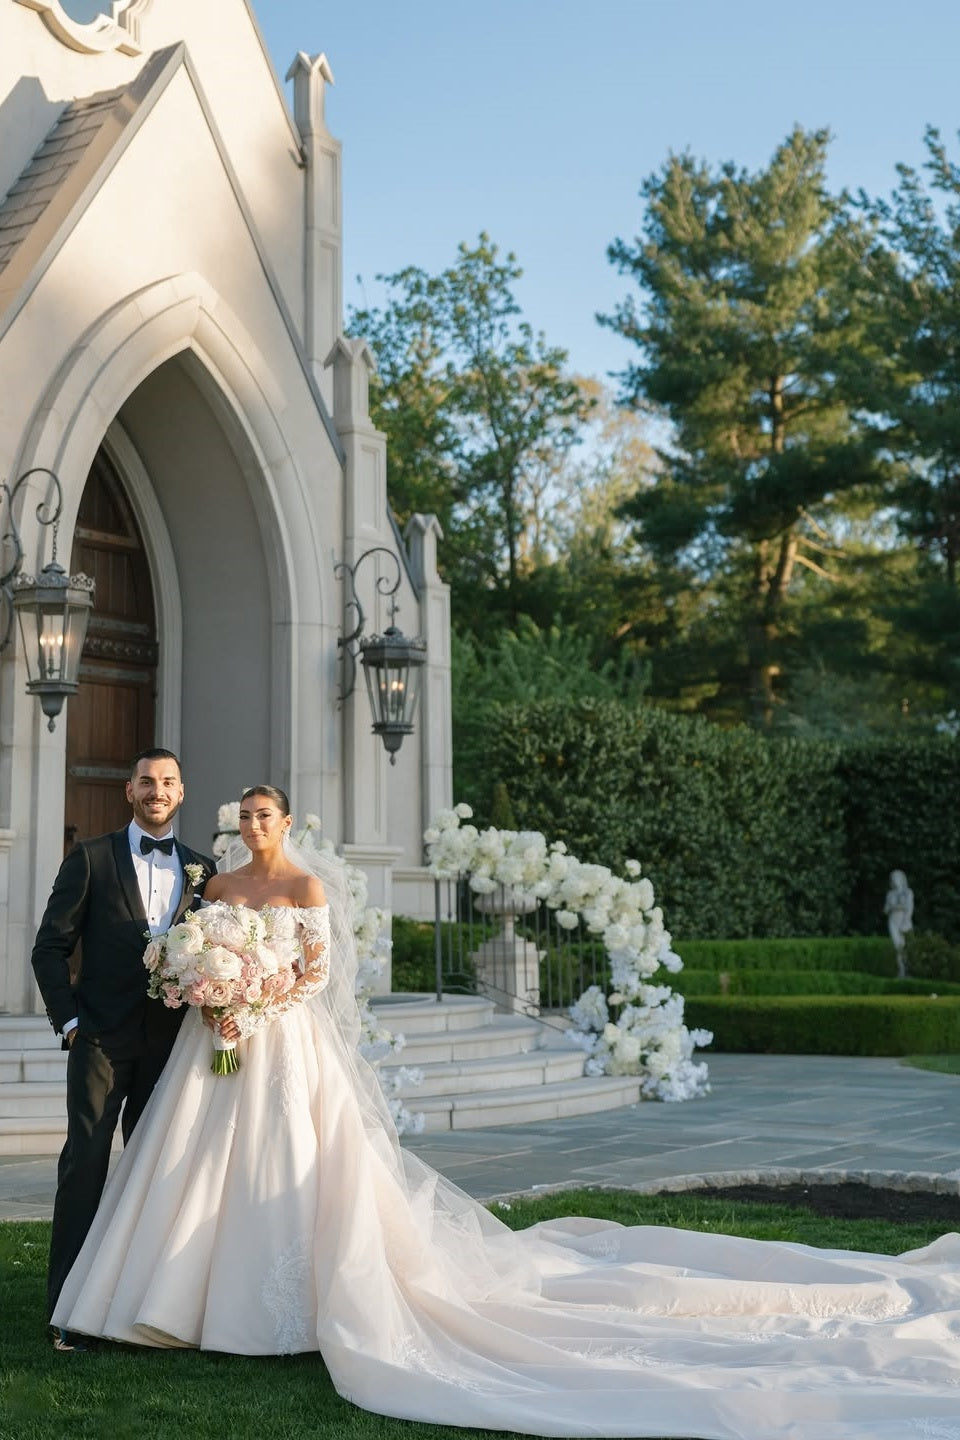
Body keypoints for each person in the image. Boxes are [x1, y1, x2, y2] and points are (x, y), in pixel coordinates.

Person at [52, 786, 960, 1439]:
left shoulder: (305, 890)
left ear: (284, 823)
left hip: (284, 1045)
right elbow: (194, 951)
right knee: (190, 1168)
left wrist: (259, 984)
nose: (251, 828)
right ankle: (171, 1301)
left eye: (263, 817)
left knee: (287, 1169)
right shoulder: (220, 887)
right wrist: (215, 984)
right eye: (242, 818)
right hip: (222, 1050)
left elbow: (321, 975)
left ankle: (274, 1313)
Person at [31, 748, 215, 1347]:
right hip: (100, 1041)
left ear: (181, 793)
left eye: (167, 782)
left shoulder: (202, 870)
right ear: (128, 791)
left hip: (170, 1044)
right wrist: (69, 1022)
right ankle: (68, 1313)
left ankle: (140, 1304)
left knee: (158, 1171)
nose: (156, 790)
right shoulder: (88, 858)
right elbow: (49, 948)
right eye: (146, 782)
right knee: (85, 1164)